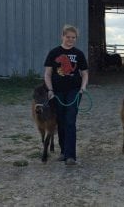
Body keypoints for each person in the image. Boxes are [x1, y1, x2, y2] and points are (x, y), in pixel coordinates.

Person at [44, 24, 88, 165]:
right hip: (57, 92)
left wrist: (83, 87)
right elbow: (48, 74)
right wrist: (50, 90)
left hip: (74, 91)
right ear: (62, 36)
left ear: (76, 38)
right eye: (68, 37)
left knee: (70, 120)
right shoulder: (54, 52)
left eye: (73, 37)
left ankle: (71, 156)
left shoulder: (79, 54)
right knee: (61, 121)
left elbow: (85, 73)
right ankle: (63, 151)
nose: (70, 39)